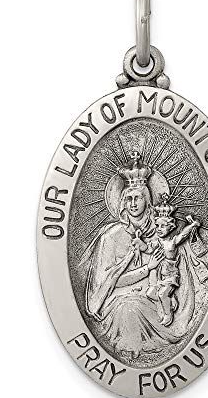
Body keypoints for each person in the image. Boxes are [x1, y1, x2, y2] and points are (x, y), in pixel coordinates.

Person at [81, 152, 195, 359]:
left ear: (147, 200)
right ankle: (134, 351)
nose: (133, 203)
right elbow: (107, 281)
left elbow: (175, 262)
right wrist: (147, 269)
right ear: (122, 201)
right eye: (128, 198)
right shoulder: (111, 236)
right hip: (118, 300)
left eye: (138, 198)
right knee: (129, 308)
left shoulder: (161, 231)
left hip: (156, 296)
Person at [145, 194, 201, 326]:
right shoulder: (156, 242)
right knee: (150, 293)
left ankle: (168, 315)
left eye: (163, 226)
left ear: (170, 227)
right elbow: (146, 249)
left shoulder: (172, 243)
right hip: (159, 277)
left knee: (162, 294)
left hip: (171, 276)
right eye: (157, 225)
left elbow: (183, 234)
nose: (159, 229)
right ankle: (171, 299)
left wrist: (193, 225)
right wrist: (138, 242)